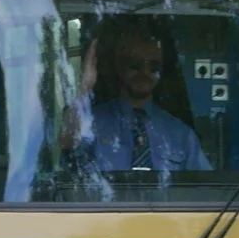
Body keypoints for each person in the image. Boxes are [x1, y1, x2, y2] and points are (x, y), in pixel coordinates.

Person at [73, 28, 211, 175]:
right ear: (119, 66)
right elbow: (66, 142)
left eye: (153, 67)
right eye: (134, 64)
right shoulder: (90, 123)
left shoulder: (181, 134)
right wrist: (85, 87)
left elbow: (204, 188)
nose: (144, 72)